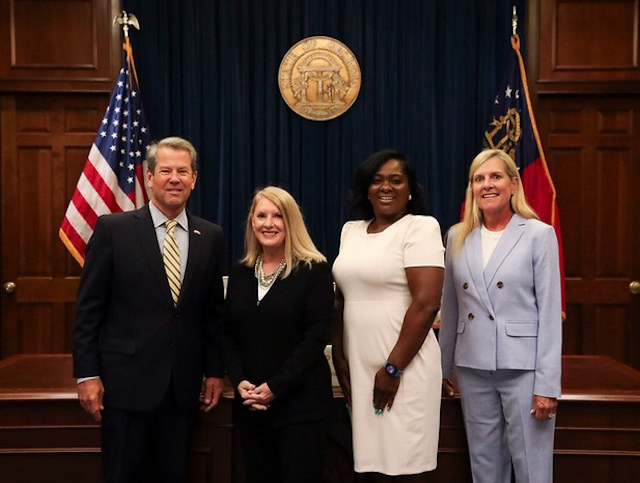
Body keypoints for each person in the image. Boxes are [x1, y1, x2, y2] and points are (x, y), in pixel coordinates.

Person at [72, 136, 226, 483]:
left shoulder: (210, 236)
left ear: (194, 179)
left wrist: (215, 370)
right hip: (125, 386)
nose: (175, 178)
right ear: (149, 178)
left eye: (183, 171)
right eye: (166, 170)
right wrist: (87, 374)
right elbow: (88, 310)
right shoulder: (115, 230)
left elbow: (212, 313)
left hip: (182, 389)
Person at [439, 148, 562, 483]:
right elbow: (450, 308)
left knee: (532, 467)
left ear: (513, 184)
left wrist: (547, 384)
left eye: (495, 176)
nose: (487, 185)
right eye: (479, 179)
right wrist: (443, 367)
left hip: (523, 368)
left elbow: (550, 313)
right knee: (484, 467)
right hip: (472, 366)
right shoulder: (457, 237)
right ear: (472, 189)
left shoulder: (538, 234)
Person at [332, 149, 445, 481]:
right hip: (361, 370)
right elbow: (342, 300)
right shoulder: (351, 231)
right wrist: (340, 358)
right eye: (377, 180)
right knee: (371, 469)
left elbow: (426, 304)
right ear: (366, 189)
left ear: (410, 190)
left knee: (405, 468)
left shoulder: (420, 228)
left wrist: (393, 368)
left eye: (396, 180)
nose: (386, 187)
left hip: (404, 370)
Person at [221, 186, 335, 483]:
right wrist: (240, 381)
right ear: (251, 222)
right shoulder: (240, 272)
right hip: (252, 407)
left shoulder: (314, 269)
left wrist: (275, 387)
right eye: (261, 215)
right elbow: (228, 333)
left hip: (301, 408)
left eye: (277, 216)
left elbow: (316, 337)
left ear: (291, 221)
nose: (268, 223)